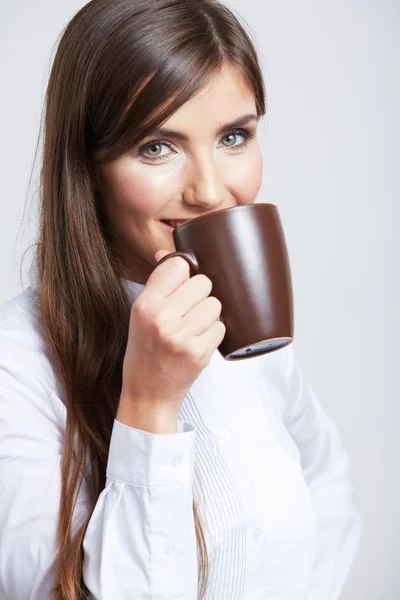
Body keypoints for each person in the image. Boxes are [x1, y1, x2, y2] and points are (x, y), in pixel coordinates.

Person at [0, 0, 362, 598]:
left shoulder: (249, 327)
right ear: (89, 166)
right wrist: (148, 402)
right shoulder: (17, 367)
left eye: (234, 137)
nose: (212, 191)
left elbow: (328, 489)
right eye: (156, 147)